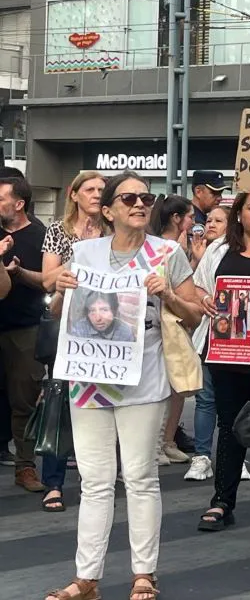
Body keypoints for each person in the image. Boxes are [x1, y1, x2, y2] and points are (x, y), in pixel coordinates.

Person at [47, 171, 201, 600]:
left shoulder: (168, 252)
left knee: (140, 476)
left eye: (145, 198)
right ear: (109, 209)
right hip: (89, 378)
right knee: (96, 481)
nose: (139, 204)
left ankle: (143, 575)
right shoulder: (83, 251)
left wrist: (168, 295)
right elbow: (64, 312)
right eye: (128, 198)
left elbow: (194, 315)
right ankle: (86, 579)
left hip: (142, 376)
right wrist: (58, 292)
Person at [193, 192, 250, 532]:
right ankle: (222, 501)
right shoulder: (219, 250)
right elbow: (196, 288)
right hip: (227, 353)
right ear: (240, 214)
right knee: (230, 426)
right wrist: (203, 298)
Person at [39, 170, 107, 512]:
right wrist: (79, 256)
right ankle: (53, 482)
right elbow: (47, 279)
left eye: (101, 190)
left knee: (103, 401)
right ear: (75, 194)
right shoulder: (58, 231)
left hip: (106, 328)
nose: (97, 194)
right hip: (67, 324)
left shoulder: (115, 230)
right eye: (90, 189)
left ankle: (100, 478)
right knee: (60, 401)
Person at [0, 176, 48, 494]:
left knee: (24, 401)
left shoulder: (39, 235)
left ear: (19, 204)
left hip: (25, 327)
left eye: (1, 198)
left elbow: (47, 281)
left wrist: (17, 271)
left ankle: (25, 466)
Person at [148, 194, 196, 466]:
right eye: (189, 216)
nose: (192, 221)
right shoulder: (166, 248)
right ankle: (157, 442)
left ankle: (165, 441)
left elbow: (186, 288)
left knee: (175, 384)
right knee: (164, 384)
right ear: (176, 218)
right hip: (163, 324)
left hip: (176, 320)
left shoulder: (179, 246)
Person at [185, 205, 230, 481]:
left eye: (218, 220)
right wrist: (204, 299)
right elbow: (197, 286)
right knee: (205, 399)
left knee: (232, 401)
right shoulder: (212, 251)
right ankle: (201, 457)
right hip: (209, 336)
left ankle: (231, 453)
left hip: (240, 341)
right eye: (209, 219)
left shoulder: (247, 249)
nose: (211, 224)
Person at [70, 291, 136, 341]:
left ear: (114, 310)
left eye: (104, 310)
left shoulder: (124, 331)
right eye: (92, 310)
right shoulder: (80, 328)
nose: (98, 318)